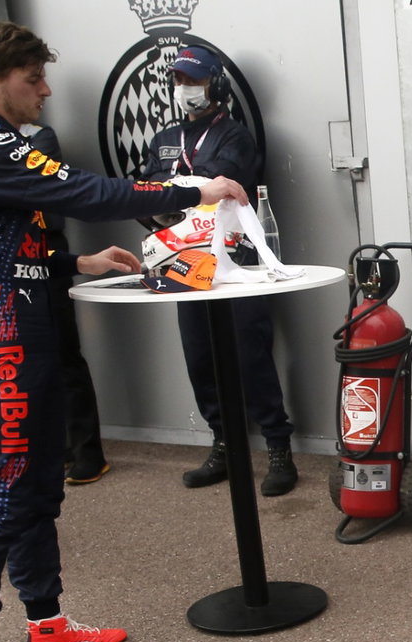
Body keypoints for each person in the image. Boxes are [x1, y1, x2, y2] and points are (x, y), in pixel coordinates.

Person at [0, 19, 250, 642]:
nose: (45, 90)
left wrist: (78, 261)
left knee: (42, 481)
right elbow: (86, 192)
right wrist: (197, 191)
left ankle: (45, 622)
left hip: (27, 319)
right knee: (4, 487)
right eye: (31, 79)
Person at [132, 45, 298, 497]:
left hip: (234, 259)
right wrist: (166, 201)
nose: (185, 89)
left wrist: (174, 193)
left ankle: (279, 446)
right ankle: (223, 442)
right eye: (179, 81)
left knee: (251, 352)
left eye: (195, 80)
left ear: (217, 85)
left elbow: (218, 192)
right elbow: (148, 192)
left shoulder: (234, 137)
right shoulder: (163, 139)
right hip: (182, 260)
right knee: (199, 355)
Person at [24, 122, 111, 485]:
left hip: (49, 251)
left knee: (64, 355)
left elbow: (42, 192)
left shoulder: (37, 136)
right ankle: (53, 448)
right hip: (8, 257)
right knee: (26, 361)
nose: (43, 92)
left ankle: (87, 452)